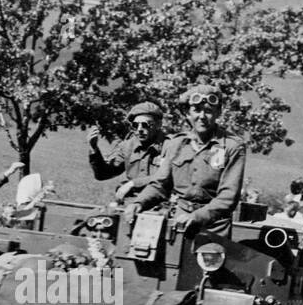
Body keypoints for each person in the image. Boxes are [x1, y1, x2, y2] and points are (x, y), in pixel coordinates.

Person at [132, 84, 246, 236]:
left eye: (208, 111)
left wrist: (197, 217)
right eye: (197, 110)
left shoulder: (231, 146)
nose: (202, 116)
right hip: (179, 222)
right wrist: (138, 203)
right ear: (187, 113)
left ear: (218, 112)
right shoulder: (177, 144)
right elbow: (160, 184)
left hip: (213, 228)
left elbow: (228, 197)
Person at [87, 102, 167, 201]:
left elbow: (168, 177)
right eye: (135, 125)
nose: (139, 129)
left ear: (158, 125)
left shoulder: (171, 145)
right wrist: (94, 148)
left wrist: (133, 184)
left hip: (161, 202)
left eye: (145, 124)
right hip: (132, 202)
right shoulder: (127, 146)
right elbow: (103, 174)